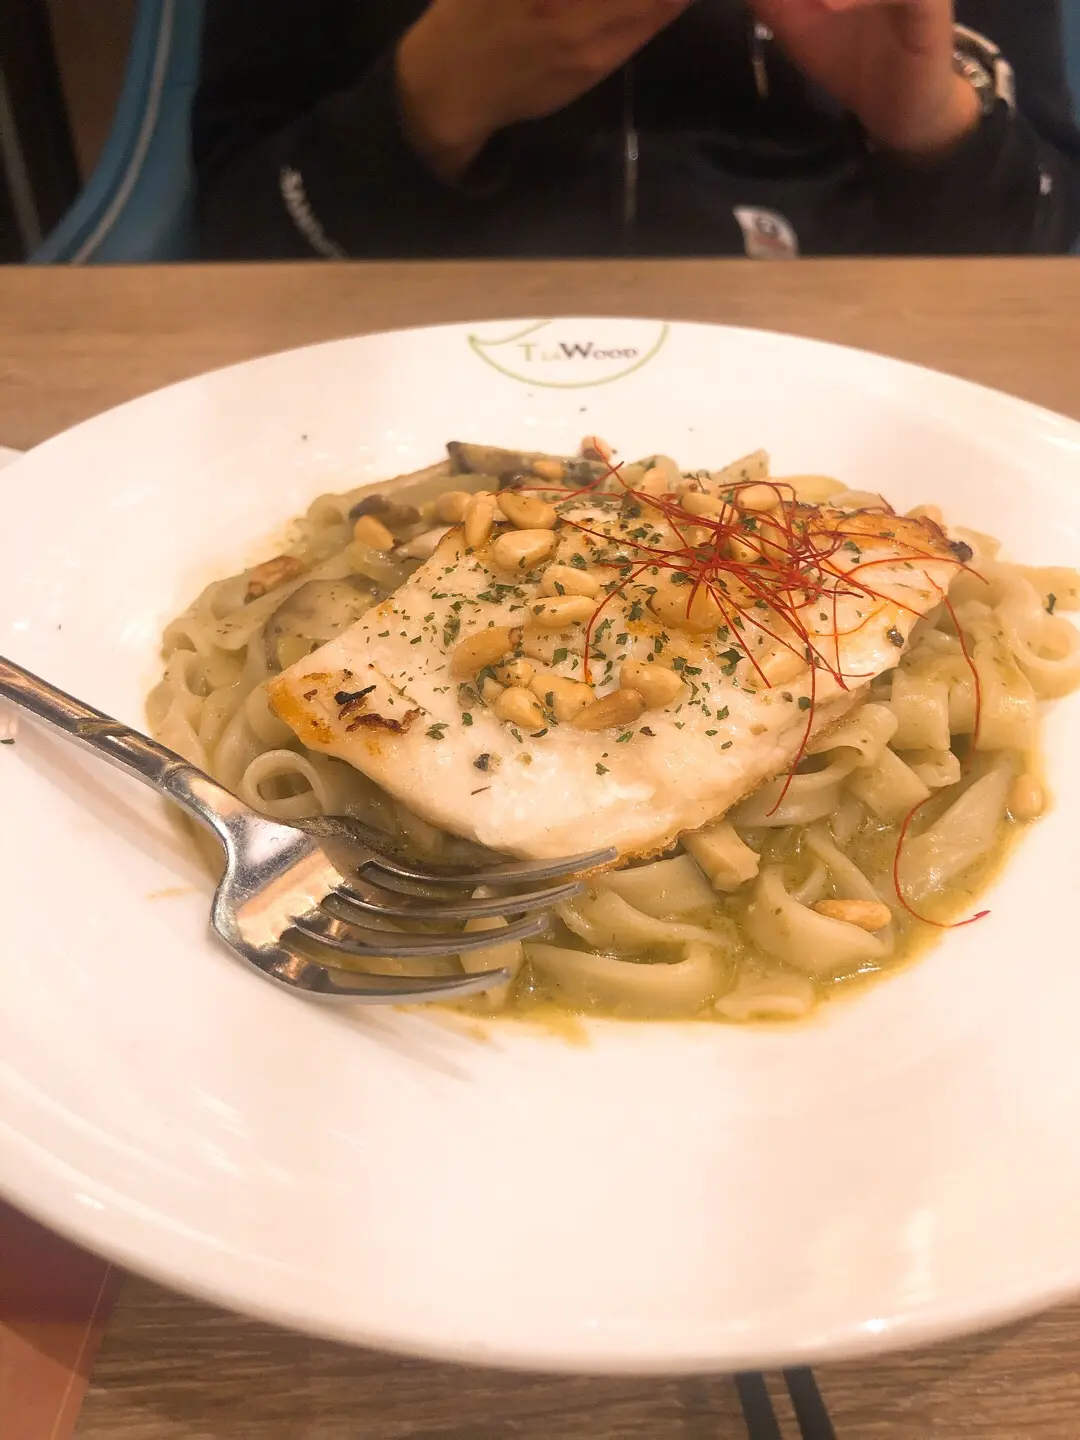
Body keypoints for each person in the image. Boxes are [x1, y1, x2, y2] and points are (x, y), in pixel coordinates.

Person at [193, 0, 1080, 260]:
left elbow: (1045, 244)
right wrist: (429, 106)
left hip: (865, 399)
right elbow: (239, 230)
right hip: (393, 371)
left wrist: (926, 120)